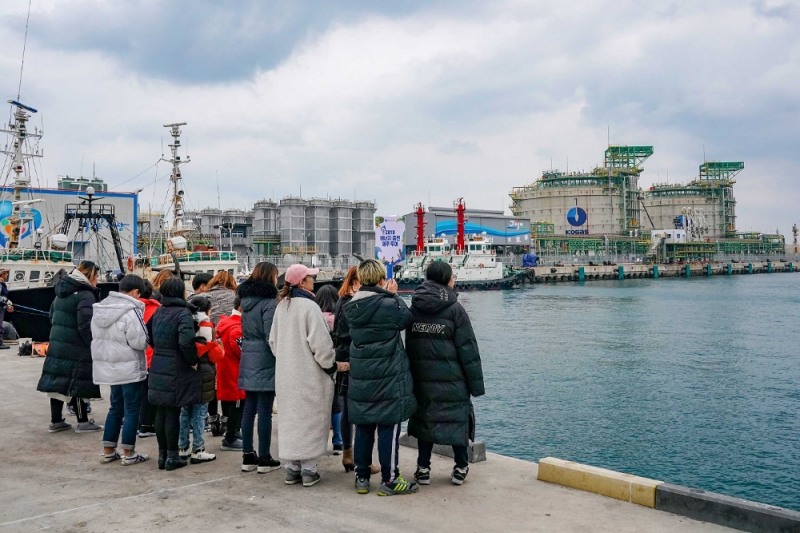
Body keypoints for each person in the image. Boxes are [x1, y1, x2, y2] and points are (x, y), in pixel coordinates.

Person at [405, 261, 485, 486]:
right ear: (446, 279)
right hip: (452, 379)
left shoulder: (415, 307)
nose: (455, 279)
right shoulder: (455, 310)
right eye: (453, 276)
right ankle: (460, 467)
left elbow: (409, 345)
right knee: (457, 421)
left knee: (425, 422)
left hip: (422, 379)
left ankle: (423, 468)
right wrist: (475, 385)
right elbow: (468, 350)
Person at [344, 259, 417, 496]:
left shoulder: (352, 305)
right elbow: (406, 319)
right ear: (380, 279)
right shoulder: (388, 304)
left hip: (362, 375)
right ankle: (390, 479)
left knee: (364, 426)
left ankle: (362, 477)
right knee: (389, 426)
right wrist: (394, 295)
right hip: (387, 375)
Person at [269, 264, 336, 487]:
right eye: (310, 277)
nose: (313, 281)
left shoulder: (282, 307)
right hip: (309, 374)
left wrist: (286, 358)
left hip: (287, 373)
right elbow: (321, 345)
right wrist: (331, 365)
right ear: (302, 282)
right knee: (311, 418)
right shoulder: (309, 306)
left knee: (292, 419)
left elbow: (273, 342)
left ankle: (292, 468)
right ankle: (309, 469)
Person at [37, 261, 104, 433]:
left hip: (58, 343)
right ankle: (83, 422)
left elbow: (51, 316)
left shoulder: (60, 292)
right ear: (90, 275)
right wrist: (92, 343)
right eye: (97, 276)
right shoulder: (85, 295)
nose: (98, 280)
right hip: (77, 345)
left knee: (57, 381)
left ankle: (56, 421)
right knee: (79, 381)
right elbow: (85, 324)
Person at [91, 274, 150, 465]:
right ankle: (128, 452)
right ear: (135, 292)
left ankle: (108, 450)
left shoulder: (100, 309)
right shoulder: (131, 311)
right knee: (132, 409)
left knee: (115, 407)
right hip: (129, 367)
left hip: (109, 367)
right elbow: (140, 341)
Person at [148, 277, 200, 471]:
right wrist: (192, 360)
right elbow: (186, 342)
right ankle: (172, 456)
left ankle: (162, 456)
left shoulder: (158, 311)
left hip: (159, 363)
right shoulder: (183, 313)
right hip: (175, 365)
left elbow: (148, 334)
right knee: (172, 411)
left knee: (161, 411)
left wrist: (160, 349)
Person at [235, 262, 281, 474]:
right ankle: (264, 458)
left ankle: (247, 456)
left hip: (248, 356)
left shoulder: (246, 301)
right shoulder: (269, 303)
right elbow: (271, 335)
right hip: (265, 357)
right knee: (265, 412)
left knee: (248, 408)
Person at [177, 295, 219, 464]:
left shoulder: (186, 323)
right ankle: (198, 448)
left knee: (186, 410)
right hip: (204, 371)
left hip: (186, 370)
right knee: (200, 412)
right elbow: (212, 351)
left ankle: (183, 446)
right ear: (207, 310)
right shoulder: (206, 325)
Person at [205, 270, 237, 433]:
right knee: (226, 384)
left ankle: (213, 419)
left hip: (210, 345)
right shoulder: (235, 297)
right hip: (228, 344)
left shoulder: (205, 297)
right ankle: (226, 419)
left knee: (212, 385)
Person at [315, 284, 343, 455]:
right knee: (336, 404)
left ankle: (319, 441)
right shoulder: (337, 317)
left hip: (318, 364)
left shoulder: (316, 316)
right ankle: (338, 441)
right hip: (337, 363)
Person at [137, 279, 160, 438]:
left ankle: (138, 422)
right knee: (149, 393)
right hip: (151, 356)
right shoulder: (155, 309)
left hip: (131, 356)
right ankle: (146, 425)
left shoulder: (129, 308)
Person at [0, 269, 11, 349]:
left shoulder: (2, 283)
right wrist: (7, 301)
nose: (7, 275)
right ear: (3, 274)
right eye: (6, 273)